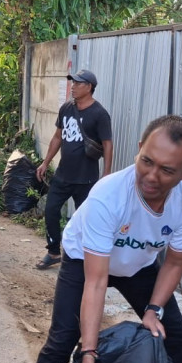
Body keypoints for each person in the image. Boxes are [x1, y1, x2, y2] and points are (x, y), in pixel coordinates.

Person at [23, 114, 182, 363]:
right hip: (85, 261)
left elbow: (174, 263)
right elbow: (96, 282)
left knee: (176, 336)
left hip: (138, 266)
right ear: (139, 149)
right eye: (146, 161)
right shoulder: (108, 196)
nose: (151, 176)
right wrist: (89, 353)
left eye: (167, 170)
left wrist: (153, 310)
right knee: (61, 341)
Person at [34, 69, 114, 270]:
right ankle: (53, 252)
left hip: (86, 178)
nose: (73, 87)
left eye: (78, 83)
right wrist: (45, 162)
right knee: (51, 211)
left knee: (85, 220)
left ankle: (83, 258)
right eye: (73, 82)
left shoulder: (99, 114)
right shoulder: (67, 108)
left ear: (89, 87)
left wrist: (106, 175)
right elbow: (57, 137)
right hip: (63, 174)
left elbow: (107, 144)